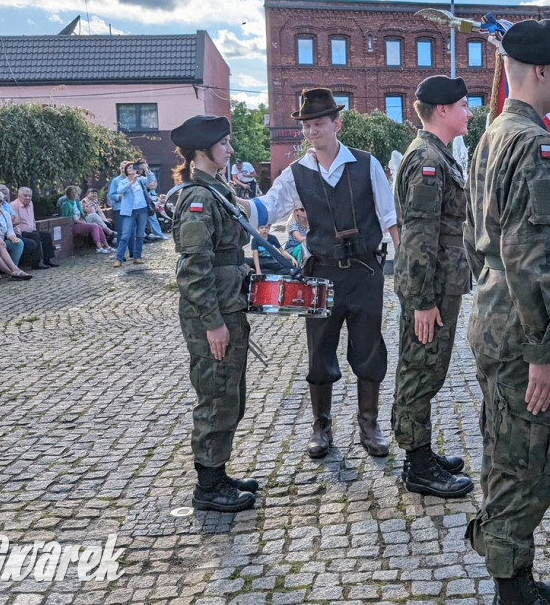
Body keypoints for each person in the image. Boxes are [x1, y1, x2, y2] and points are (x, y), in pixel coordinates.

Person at [463, 19, 550, 605]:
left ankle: (514, 573)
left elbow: (473, 236)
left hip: (493, 315)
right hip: (520, 328)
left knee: (505, 447)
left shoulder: (492, 134)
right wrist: (544, 351)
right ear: (539, 71)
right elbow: (532, 257)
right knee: (529, 459)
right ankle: (512, 591)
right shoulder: (532, 144)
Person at [242, 88, 399, 459]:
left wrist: (404, 260)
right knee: (319, 353)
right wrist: (236, 202)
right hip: (320, 274)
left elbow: (390, 216)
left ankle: (369, 424)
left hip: (364, 272)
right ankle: (321, 426)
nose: (312, 131)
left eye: (319, 123)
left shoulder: (366, 163)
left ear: (336, 124)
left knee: (369, 349)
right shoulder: (297, 173)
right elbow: (268, 208)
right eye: (307, 125)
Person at [392, 75, 475, 499]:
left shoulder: (437, 156)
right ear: (442, 110)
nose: (469, 111)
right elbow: (418, 238)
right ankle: (417, 465)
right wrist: (423, 302)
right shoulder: (427, 160)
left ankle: (420, 452)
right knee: (419, 370)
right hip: (431, 289)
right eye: (463, 105)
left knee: (428, 369)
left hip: (440, 283)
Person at [170, 114, 257, 513]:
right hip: (214, 315)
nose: (230, 149)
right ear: (202, 151)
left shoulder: (217, 189)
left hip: (229, 305)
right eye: (224, 143)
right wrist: (214, 324)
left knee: (229, 395)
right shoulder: (198, 199)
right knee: (215, 395)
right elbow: (193, 268)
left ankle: (217, 472)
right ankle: (207, 487)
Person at [112, 162, 152, 267]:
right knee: (125, 235)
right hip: (128, 211)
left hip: (142, 209)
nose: (131, 169)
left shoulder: (140, 180)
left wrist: (146, 170)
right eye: (128, 167)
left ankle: (137, 257)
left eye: (133, 167)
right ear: (126, 171)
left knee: (140, 234)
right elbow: (120, 191)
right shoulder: (123, 181)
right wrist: (131, 182)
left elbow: (151, 182)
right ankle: (118, 258)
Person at [11, 187, 59, 269]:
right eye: (25, 196)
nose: (28, 198)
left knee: (46, 235)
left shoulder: (31, 204)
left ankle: (47, 260)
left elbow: (32, 218)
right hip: (21, 232)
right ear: (19, 196)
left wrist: (34, 228)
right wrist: (19, 234)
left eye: (30, 196)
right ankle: (36, 263)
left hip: (31, 230)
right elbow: (16, 221)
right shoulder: (14, 205)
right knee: (35, 236)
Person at [59, 186, 113, 254]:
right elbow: (71, 219)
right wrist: (83, 223)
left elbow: (80, 215)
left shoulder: (76, 202)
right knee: (94, 226)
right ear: (72, 194)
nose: (78, 195)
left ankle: (107, 246)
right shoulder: (67, 204)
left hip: (80, 222)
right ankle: (99, 248)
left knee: (97, 225)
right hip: (73, 225)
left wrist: (83, 218)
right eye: (76, 193)